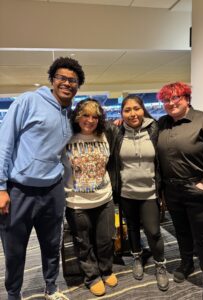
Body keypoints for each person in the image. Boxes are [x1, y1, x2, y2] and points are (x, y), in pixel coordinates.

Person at [0, 56, 85, 300]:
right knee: (15, 250)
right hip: (20, 190)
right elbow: (4, 143)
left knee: (51, 244)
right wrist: (0, 188)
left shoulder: (70, 114)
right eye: (62, 78)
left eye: (73, 80)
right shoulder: (29, 101)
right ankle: (14, 294)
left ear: (78, 86)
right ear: (52, 79)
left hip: (53, 190)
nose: (67, 83)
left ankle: (51, 287)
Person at [157, 82, 203, 300]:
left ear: (186, 98)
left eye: (175, 98)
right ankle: (186, 263)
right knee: (182, 231)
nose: (170, 103)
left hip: (199, 189)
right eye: (166, 100)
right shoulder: (162, 123)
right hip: (172, 191)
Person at [112, 95, 169, 291]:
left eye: (136, 108)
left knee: (153, 232)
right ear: (121, 113)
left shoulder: (154, 129)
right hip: (127, 192)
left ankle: (160, 265)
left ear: (143, 109)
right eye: (127, 110)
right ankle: (137, 256)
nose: (132, 113)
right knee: (133, 228)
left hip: (150, 192)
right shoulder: (117, 132)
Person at [62, 99, 118, 297]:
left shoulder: (106, 134)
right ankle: (92, 277)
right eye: (85, 115)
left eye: (95, 116)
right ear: (77, 117)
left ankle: (106, 270)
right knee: (83, 243)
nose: (90, 120)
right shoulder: (66, 137)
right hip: (77, 203)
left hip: (105, 199)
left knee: (105, 240)